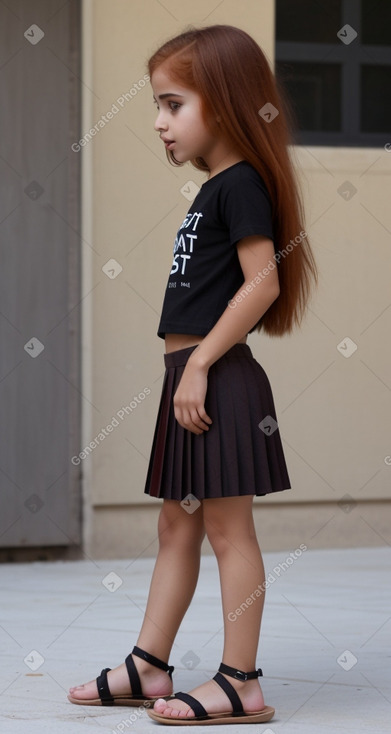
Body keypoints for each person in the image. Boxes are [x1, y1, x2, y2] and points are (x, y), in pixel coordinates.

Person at [68, 24, 317, 725]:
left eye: (173, 104)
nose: (158, 122)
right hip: (193, 379)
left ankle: (240, 682)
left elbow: (261, 283)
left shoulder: (239, 184)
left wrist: (201, 362)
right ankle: (149, 665)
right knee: (176, 530)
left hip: (215, 380)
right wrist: (189, 367)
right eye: (157, 105)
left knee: (227, 533)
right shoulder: (215, 187)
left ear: (225, 101)